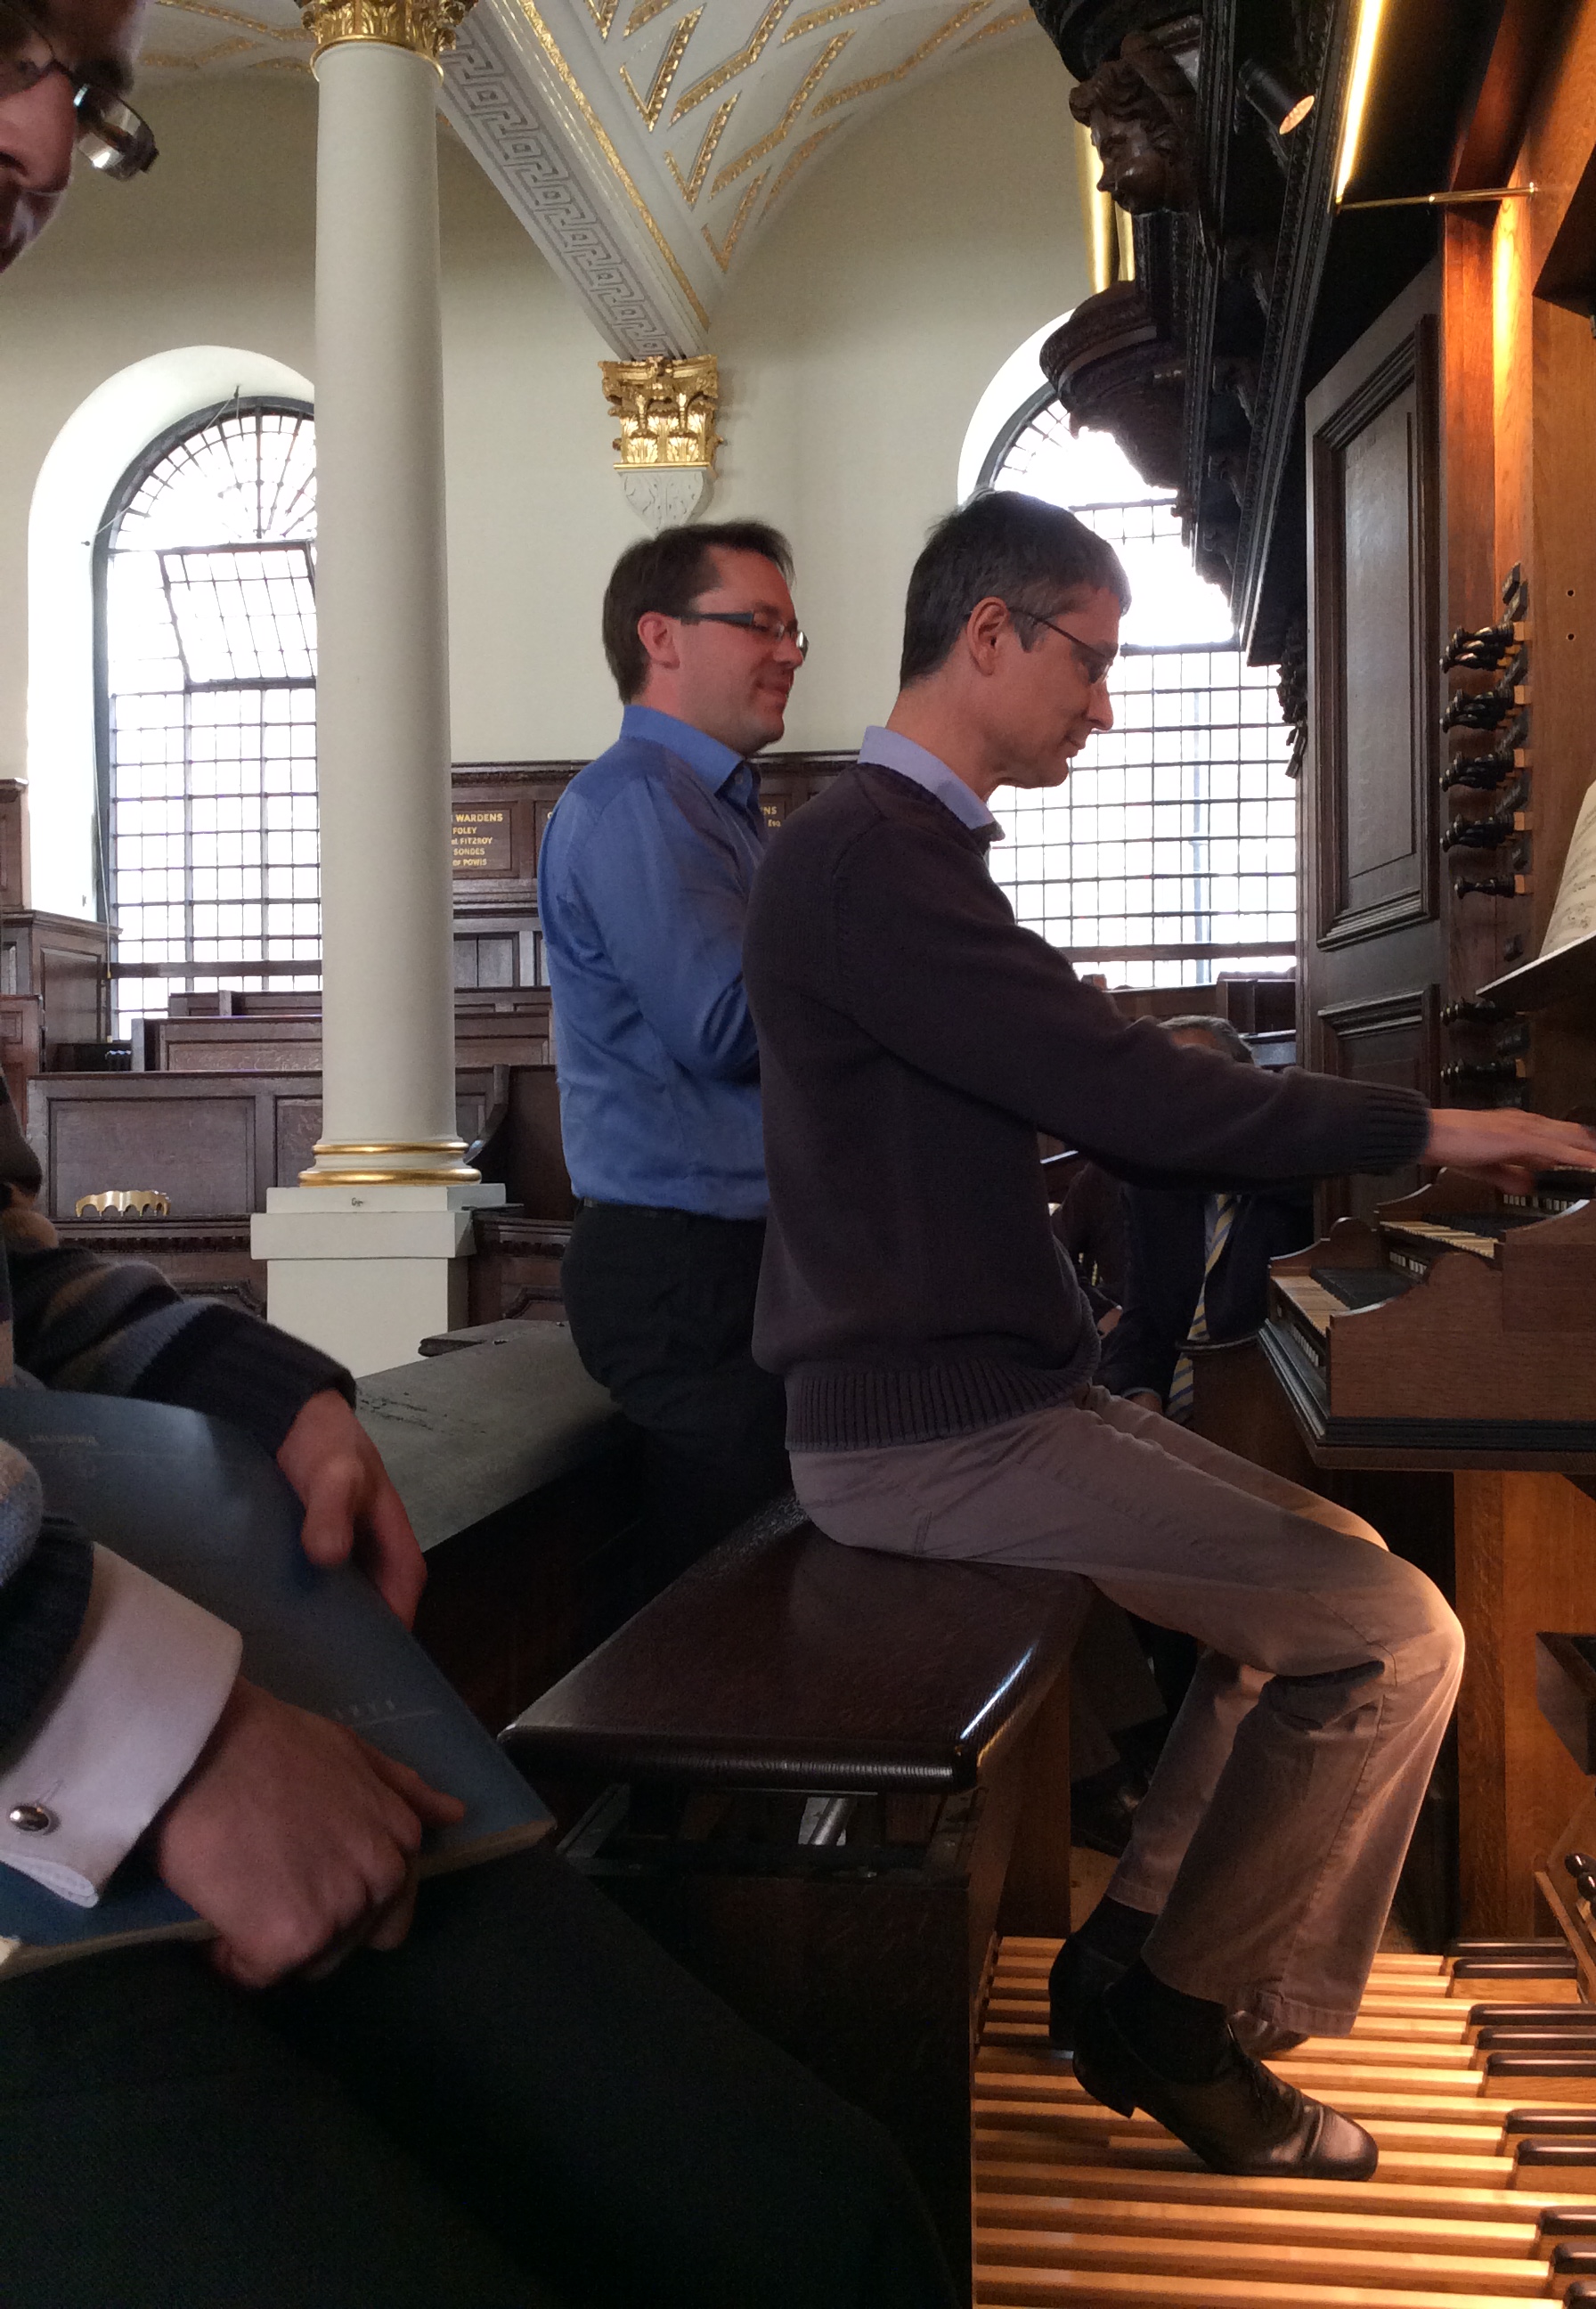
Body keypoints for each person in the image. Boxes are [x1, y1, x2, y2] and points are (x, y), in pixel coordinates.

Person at [0, 19, 956, 2303]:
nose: (44, 133)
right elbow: (740, 1031)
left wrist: (218, 1367)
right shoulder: (646, 819)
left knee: (810, 2226)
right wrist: (126, 1722)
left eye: (81, 75)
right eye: (18, 38)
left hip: (86, 1574)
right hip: (51, 1693)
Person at [742, 489, 1596, 2182]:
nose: (1103, 701)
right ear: (988, 632)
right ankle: (1183, 2014)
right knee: (1392, 1629)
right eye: (1089, 660)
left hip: (984, 1403)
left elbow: (1103, 1083)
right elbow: (1117, 1086)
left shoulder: (895, 855)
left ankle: (1134, 1954)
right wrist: (1429, 1133)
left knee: (1328, 1567)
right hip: (929, 1440)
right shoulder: (864, 856)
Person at [539, 523, 803, 1584]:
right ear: (662, 635)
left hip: (733, 1260)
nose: (787, 650)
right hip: (684, 1269)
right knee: (723, 1613)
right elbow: (727, 1028)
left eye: (794, 630)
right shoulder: (644, 801)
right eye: (761, 624)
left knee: (761, 1594)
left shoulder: (717, 808)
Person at [1098, 1011, 1314, 1424]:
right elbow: (1143, 1318)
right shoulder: (1150, 1187)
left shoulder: (1299, 1177)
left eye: (1196, 1080)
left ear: (1248, 1086)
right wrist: (1141, 1397)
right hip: (1176, 1418)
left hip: (1274, 1407)